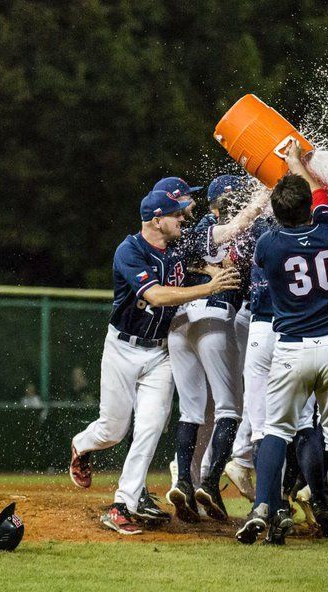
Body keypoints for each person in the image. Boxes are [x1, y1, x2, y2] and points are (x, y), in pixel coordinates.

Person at [68, 180, 254, 536]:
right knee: (113, 429)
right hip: (123, 348)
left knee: (151, 428)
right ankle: (82, 443)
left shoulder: (177, 245)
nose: (184, 217)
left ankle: (124, 502)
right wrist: (209, 287)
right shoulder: (130, 251)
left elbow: (204, 251)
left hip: (160, 353)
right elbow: (156, 295)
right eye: (176, 213)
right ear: (156, 220)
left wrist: (212, 269)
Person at [234, 142, 328, 549]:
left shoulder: (268, 245)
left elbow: (293, 213)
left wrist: (282, 174)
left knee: (275, 430)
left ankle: (262, 508)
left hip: (290, 347)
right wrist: (298, 165)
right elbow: (322, 195)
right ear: (310, 206)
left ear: (277, 212)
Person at [165, 174, 251, 524]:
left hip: (180, 319)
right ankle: (211, 482)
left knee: (191, 410)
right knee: (230, 408)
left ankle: (184, 480)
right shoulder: (241, 233)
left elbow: (177, 257)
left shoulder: (188, 230)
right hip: (215, 316)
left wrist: (202, 266)